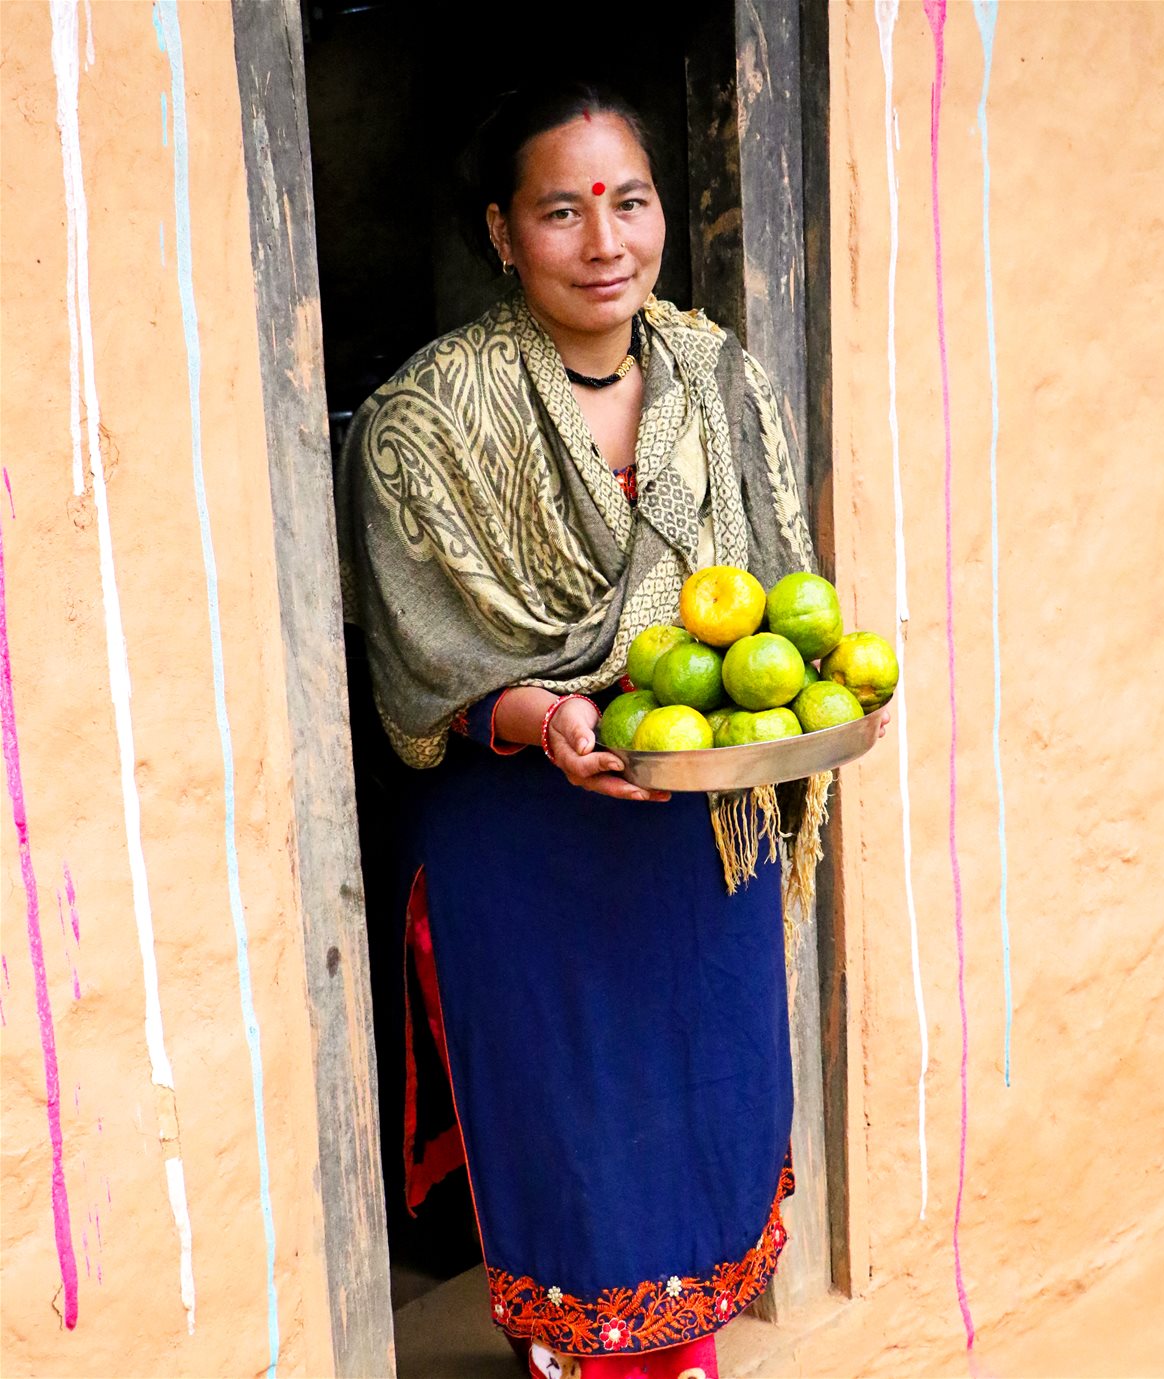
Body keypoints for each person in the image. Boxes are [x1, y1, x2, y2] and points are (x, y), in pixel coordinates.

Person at [336, 83, 885, 1379]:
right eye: (562, 213)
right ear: (502, 231)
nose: (606, 243)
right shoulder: (427, 420)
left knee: (709, 1100)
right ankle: (576, 1355)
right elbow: (420, 659)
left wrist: (814, 686)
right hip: (528, 838)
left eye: (629, 203)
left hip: (701, 825)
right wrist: (543, 712)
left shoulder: (717, 375)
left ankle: (681, 1352)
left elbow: (780, 590)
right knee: (574, 1133)